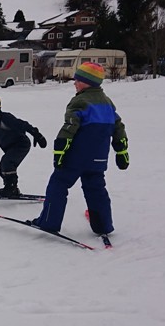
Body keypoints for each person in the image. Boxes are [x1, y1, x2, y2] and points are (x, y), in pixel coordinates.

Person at [30, 62, 129, 235]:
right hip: (98, 159)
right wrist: (122, 153)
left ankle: (48, 222)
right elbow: (119, 128)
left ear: (86, 82)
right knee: (96, 190)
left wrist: (59, 154)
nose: (74, 83)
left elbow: (68, 129)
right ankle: (103, 225)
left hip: (76, 157)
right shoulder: (108, 104)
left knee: (58, 184)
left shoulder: (80, 102)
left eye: (77, 80)